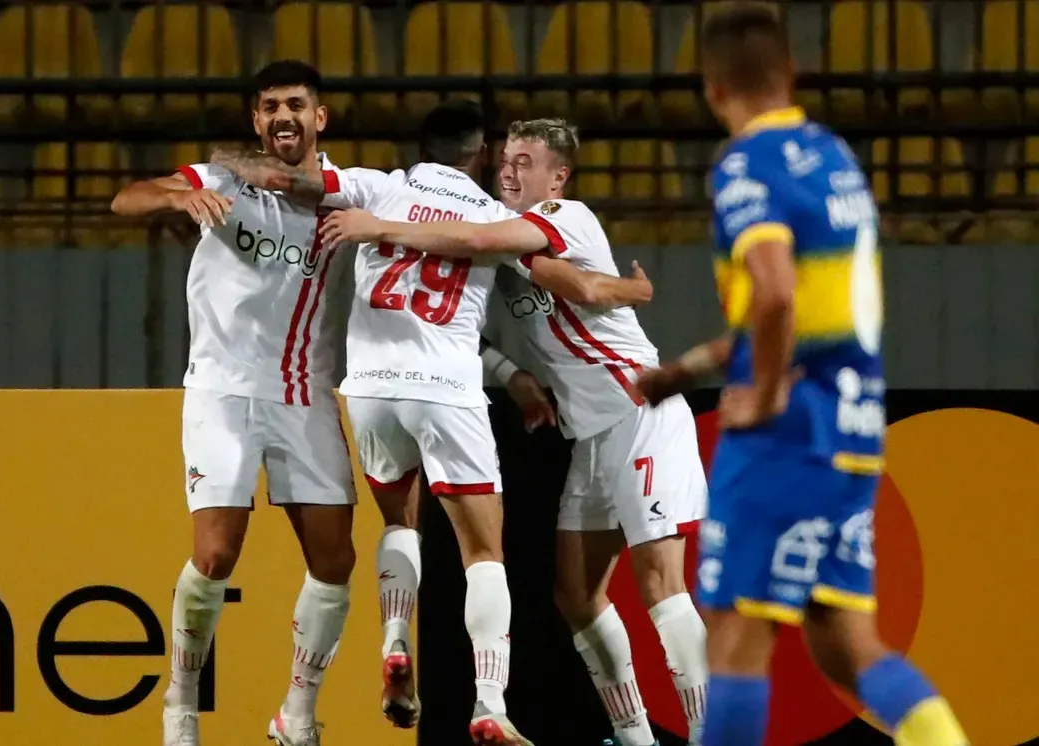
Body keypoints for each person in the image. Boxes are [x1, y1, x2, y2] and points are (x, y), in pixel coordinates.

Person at [212, 101, 651, 746]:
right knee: (484, 553)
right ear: (477, 156)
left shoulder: (376, 186)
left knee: (399, 521)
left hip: (368, 390)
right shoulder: (498, 216)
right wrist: (630, 291)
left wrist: (218, 163)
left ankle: (395, 641)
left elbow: (286, 176)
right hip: (446, 391)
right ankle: (491, 702)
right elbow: (569, 281)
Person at [629, 5, 969, 745]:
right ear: (793, 76)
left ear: (713, 90)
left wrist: (771, 389)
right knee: (846, 647)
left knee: (735, 642)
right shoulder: (835, 156)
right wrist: (687, 368)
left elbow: (775, 288)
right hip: (851, 429)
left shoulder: (746, 164)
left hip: (789, 431)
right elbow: (800, 306)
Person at [318, 117, 710, 746]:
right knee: (576, 596)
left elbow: (568, 278)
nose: (509, 170)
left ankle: (707, 732)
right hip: (591, 435)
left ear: (558, 176)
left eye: (526, 162)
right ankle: (635, 737)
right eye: (505, 160)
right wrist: (518, 375)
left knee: (662, 585)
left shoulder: (563, 213)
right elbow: (468, 307)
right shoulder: (503, 244)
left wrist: (379, 225)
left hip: (640, 413)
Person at [110, 60, 357, 746]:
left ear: (320, 117)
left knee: (335, 563)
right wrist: (176, 198)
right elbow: (124, 198)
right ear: (257, 119)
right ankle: (180, 706)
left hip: (304, 393)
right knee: (216, 555)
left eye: (297, 105)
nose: (284, 116)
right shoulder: (218, 179)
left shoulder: (343, 194)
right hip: (221, 388)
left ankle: (297, 715)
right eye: (271, 106)